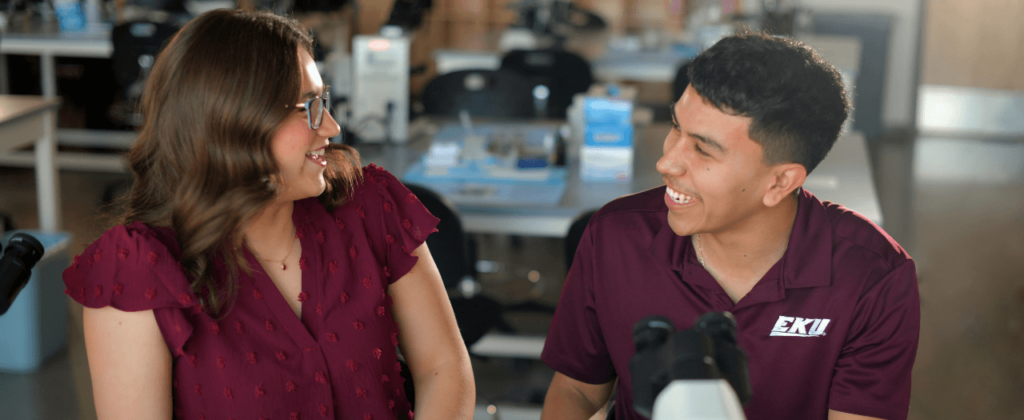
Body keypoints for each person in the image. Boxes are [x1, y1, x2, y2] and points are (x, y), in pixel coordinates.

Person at [63, 9, 474, 420]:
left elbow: (445, 369)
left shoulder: (369, 205)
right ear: (234, 123)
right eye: (308, 107)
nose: (330, 127)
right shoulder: (135, 272)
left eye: (324, 102)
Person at [541, 33, 919, 420]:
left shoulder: (874, 278)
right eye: (675, 127)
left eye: (703, 149)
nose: (667, 162)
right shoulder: (614, 235)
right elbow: (576, 390)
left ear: (780, 182)